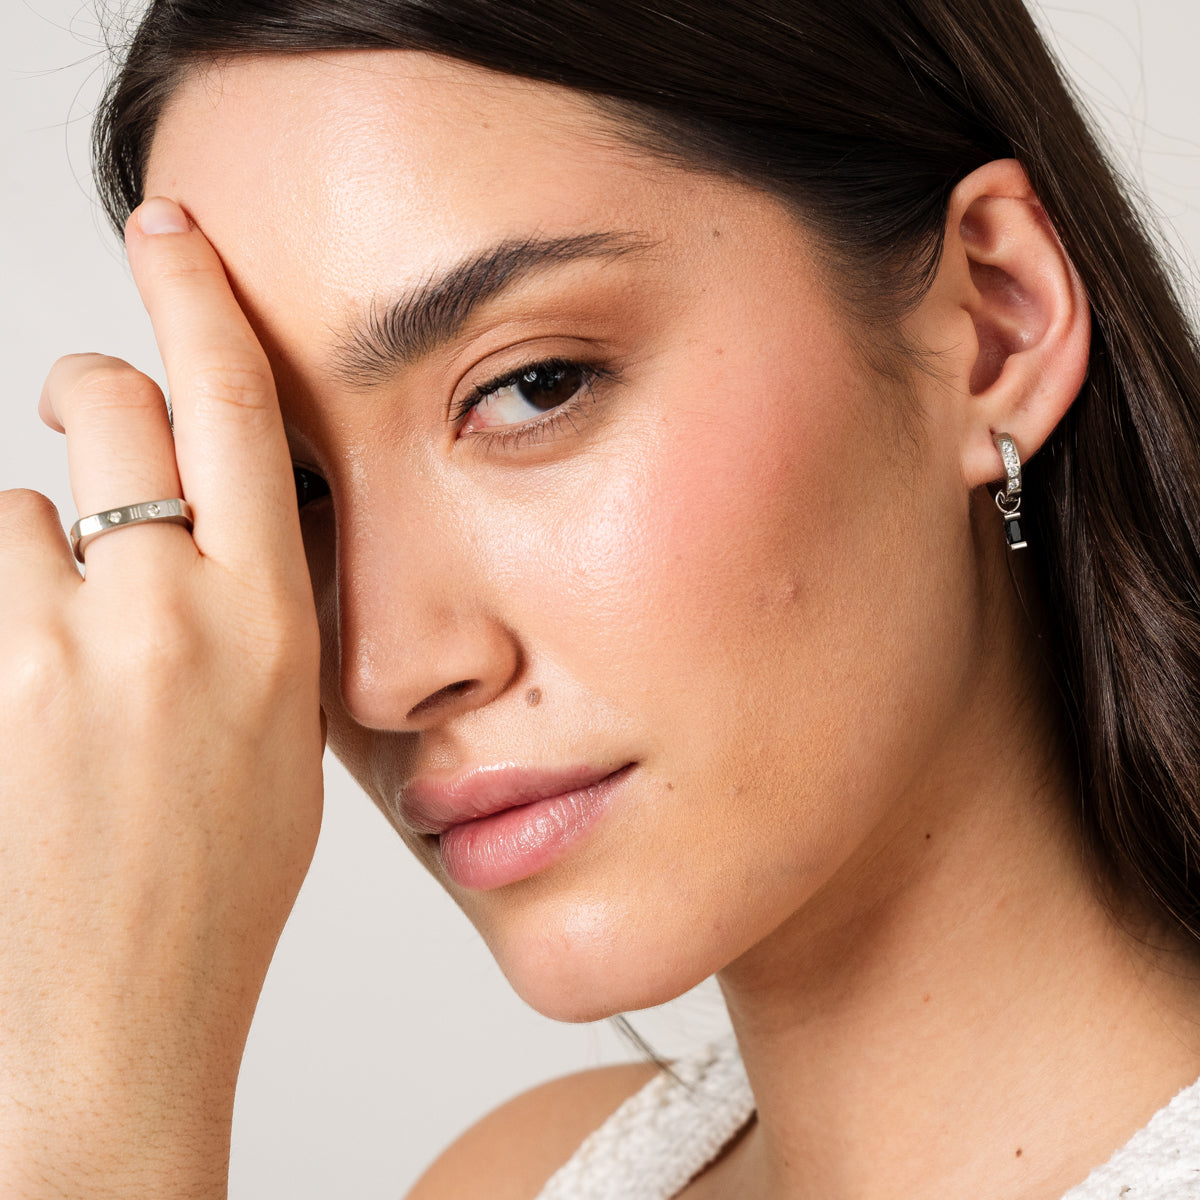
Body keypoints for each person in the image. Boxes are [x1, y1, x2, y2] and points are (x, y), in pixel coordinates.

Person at [3, 0, 1200, 1196]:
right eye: (292, 487)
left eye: (534, 385)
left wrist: (103, 1114)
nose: (379, 673)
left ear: (992, 323)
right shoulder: (511, 1179)